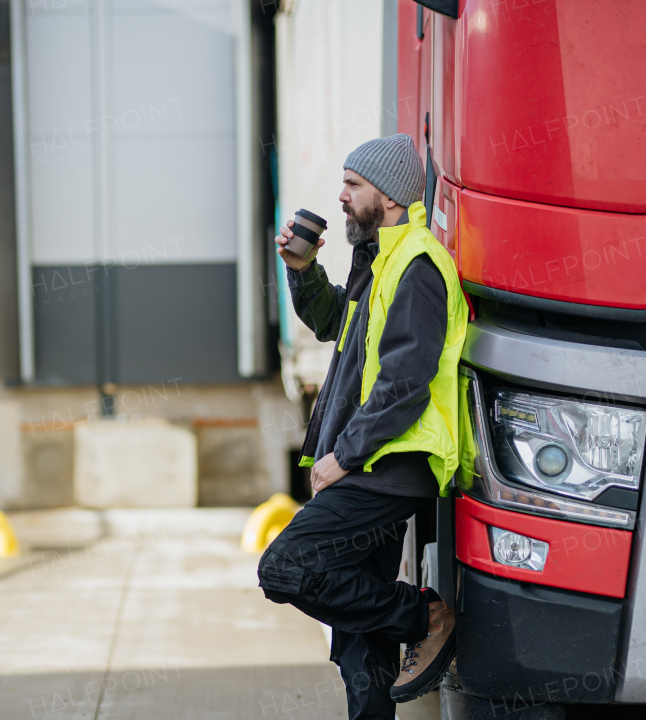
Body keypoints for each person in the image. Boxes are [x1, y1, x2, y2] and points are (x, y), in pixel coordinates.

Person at [258, 133, 468, 719]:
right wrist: (301, 271)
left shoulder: (418, 266)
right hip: (372, 462)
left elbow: (406, 381)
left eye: (354, 185)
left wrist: (344, 455)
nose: (342, 197)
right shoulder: (377, 259)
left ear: (391, 195)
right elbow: (334, 327)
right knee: (359, 642)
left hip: (386, 466)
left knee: (286, 567)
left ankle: (424, 616)